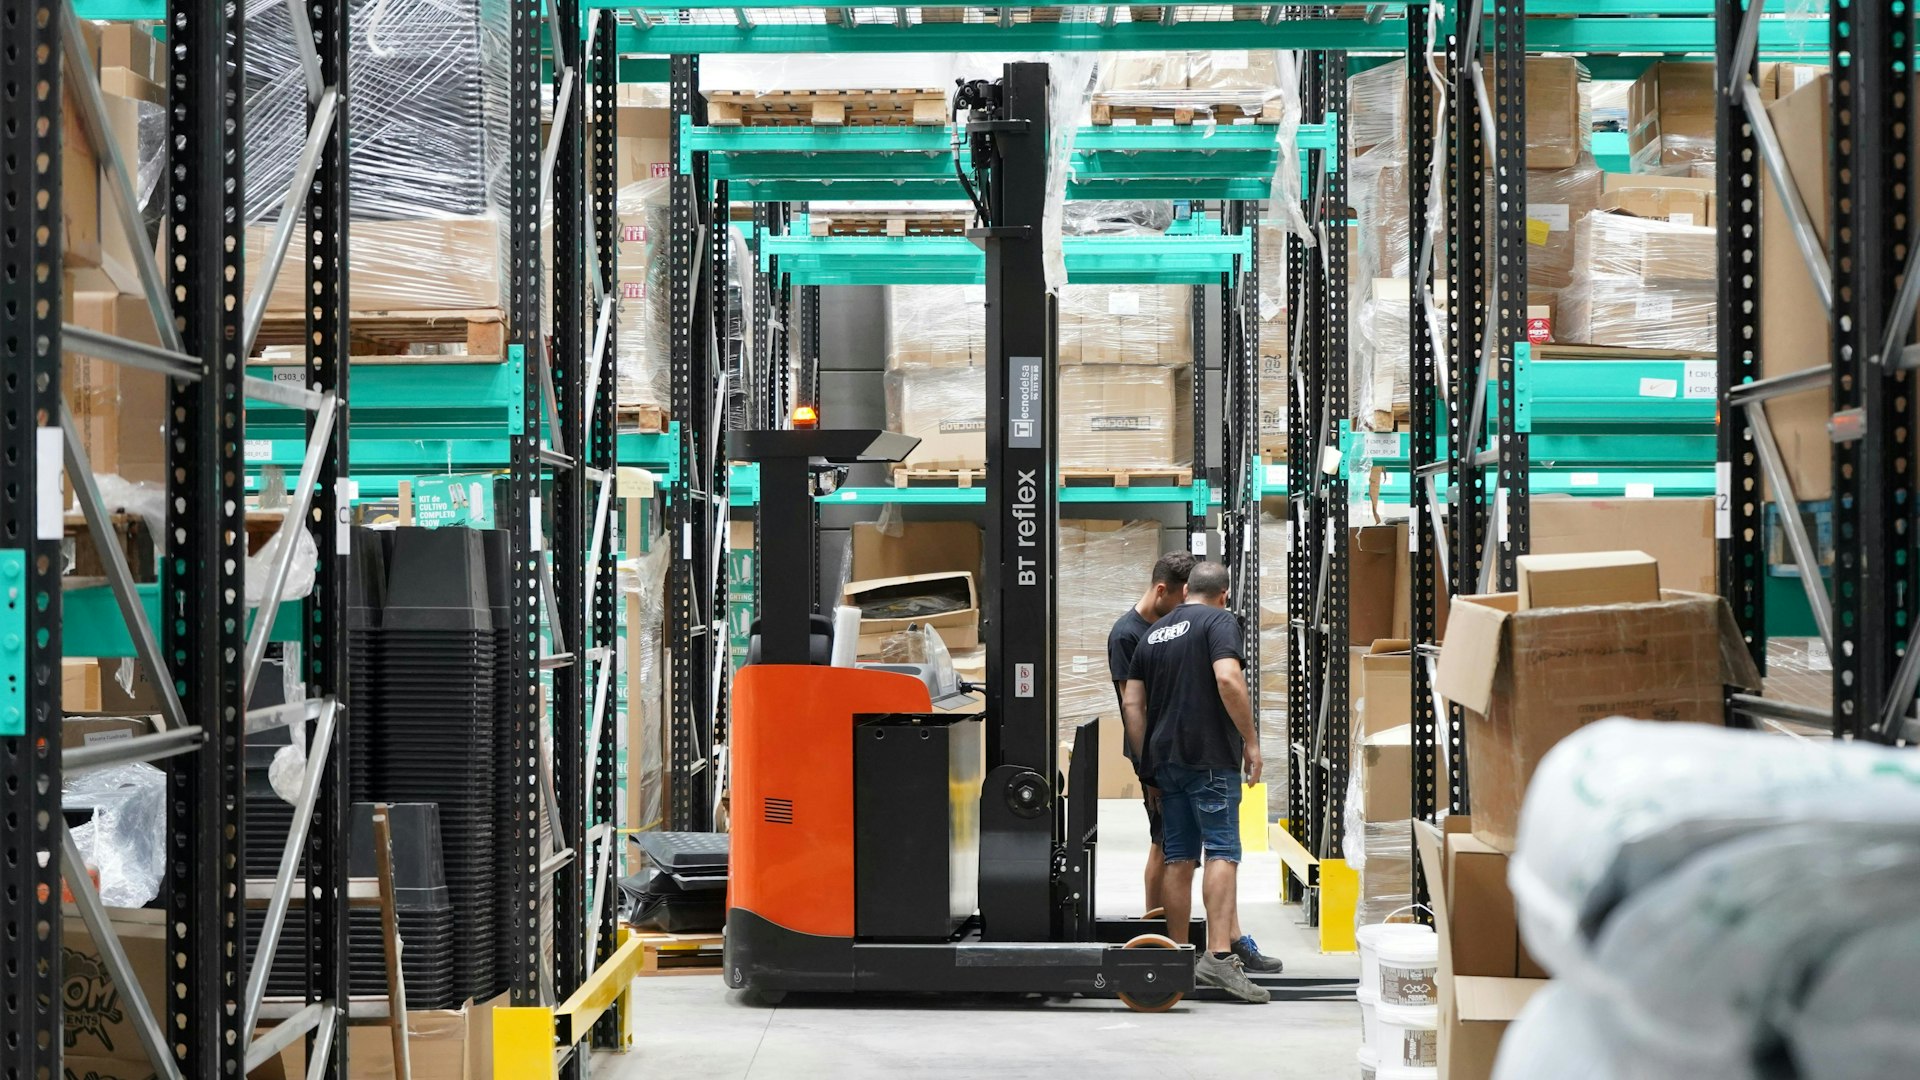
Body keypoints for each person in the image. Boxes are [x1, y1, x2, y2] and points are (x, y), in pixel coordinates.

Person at [1120, 560, 1279, 1005]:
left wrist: (1148, 763)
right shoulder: (1220, 622)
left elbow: (1132, 704)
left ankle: (1177, 956)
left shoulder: (1153, 633)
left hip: (1166, 761)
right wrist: (1251, 741)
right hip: (1208, 756)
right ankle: (1218, 956)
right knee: (1222, 851)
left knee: (1179, 857)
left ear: (1186, 589)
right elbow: (1228, 678)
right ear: (1223, 595)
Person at [1107, 551, 1195, 914]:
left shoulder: (1173, 626)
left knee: (1178, 840)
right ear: (1161, 590)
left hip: (1178, 749)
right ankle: (1153, 925)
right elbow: (1133, 707)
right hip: (1153, 755)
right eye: (1180, 600)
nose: (1184, 609)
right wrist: (1149, 770)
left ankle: (1167, 921)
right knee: (1164, 839)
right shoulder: (1126, 635)